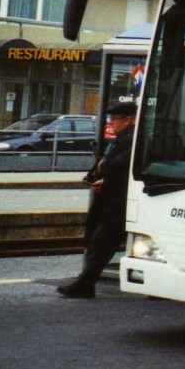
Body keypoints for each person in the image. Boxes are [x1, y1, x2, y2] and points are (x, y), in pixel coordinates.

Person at [58, 101, 137, 299]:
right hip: (118, 199)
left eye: (114, 120)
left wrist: (105, 165)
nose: (111, 124)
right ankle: (85, 283)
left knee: (100, 244)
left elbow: (126, 163)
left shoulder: (132, 138)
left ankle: (85, 285)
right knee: (100, 243)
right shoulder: (126, 137)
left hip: (119, 203)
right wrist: (106, 180)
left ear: (128, 120)